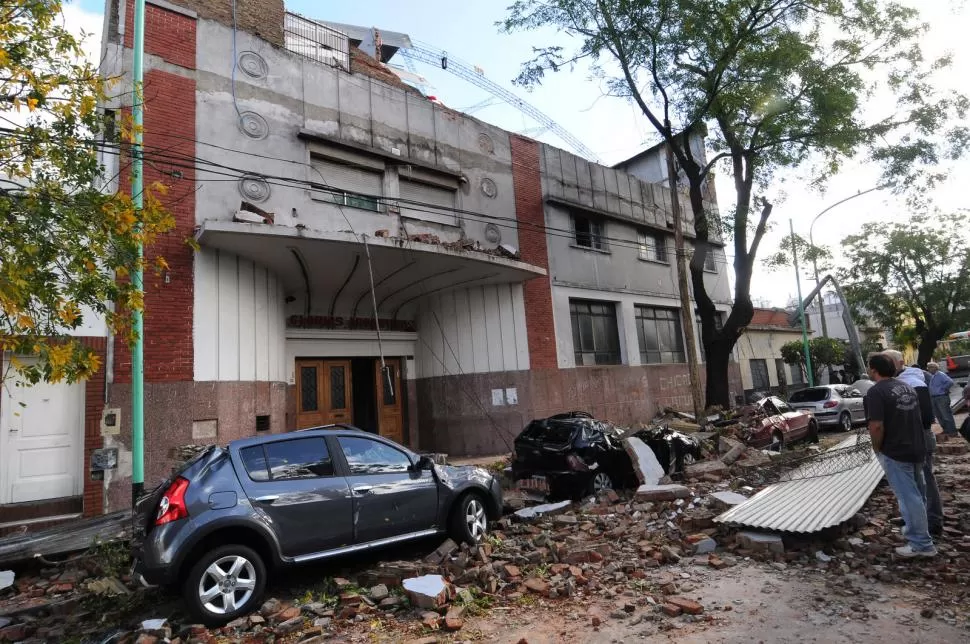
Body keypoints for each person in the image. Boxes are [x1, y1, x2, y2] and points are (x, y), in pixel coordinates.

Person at [864, 353, 936, 557]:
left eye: (870, 368)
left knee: (908, 497)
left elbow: (876, 426)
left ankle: (922, 544)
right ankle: (918, 532)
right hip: (916, 448)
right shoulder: (907, 387)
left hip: (896, 450)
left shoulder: (876, 392)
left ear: (874, 370)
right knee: (918, 494)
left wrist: (877, 448)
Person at [883, 350, 942, 536]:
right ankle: (914, 517)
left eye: (888, 361)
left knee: (925, 479)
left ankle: (932, 520)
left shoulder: (914, 382)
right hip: (907, 437)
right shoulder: (900, 381)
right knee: (911, 481)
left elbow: (926, 417)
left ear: (899, 363)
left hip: (919, 436)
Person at [926, 362, 957, 441]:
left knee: (946, 415)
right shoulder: (933, 376)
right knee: (939, 415)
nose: (928, 369)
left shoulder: (940, 374)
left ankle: (952, 432)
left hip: (941, 397)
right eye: (928, 367)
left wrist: (943, 389)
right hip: (934, 398)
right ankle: (946, 430)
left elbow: (950, 382)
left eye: (930, 367)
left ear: (934, 368)